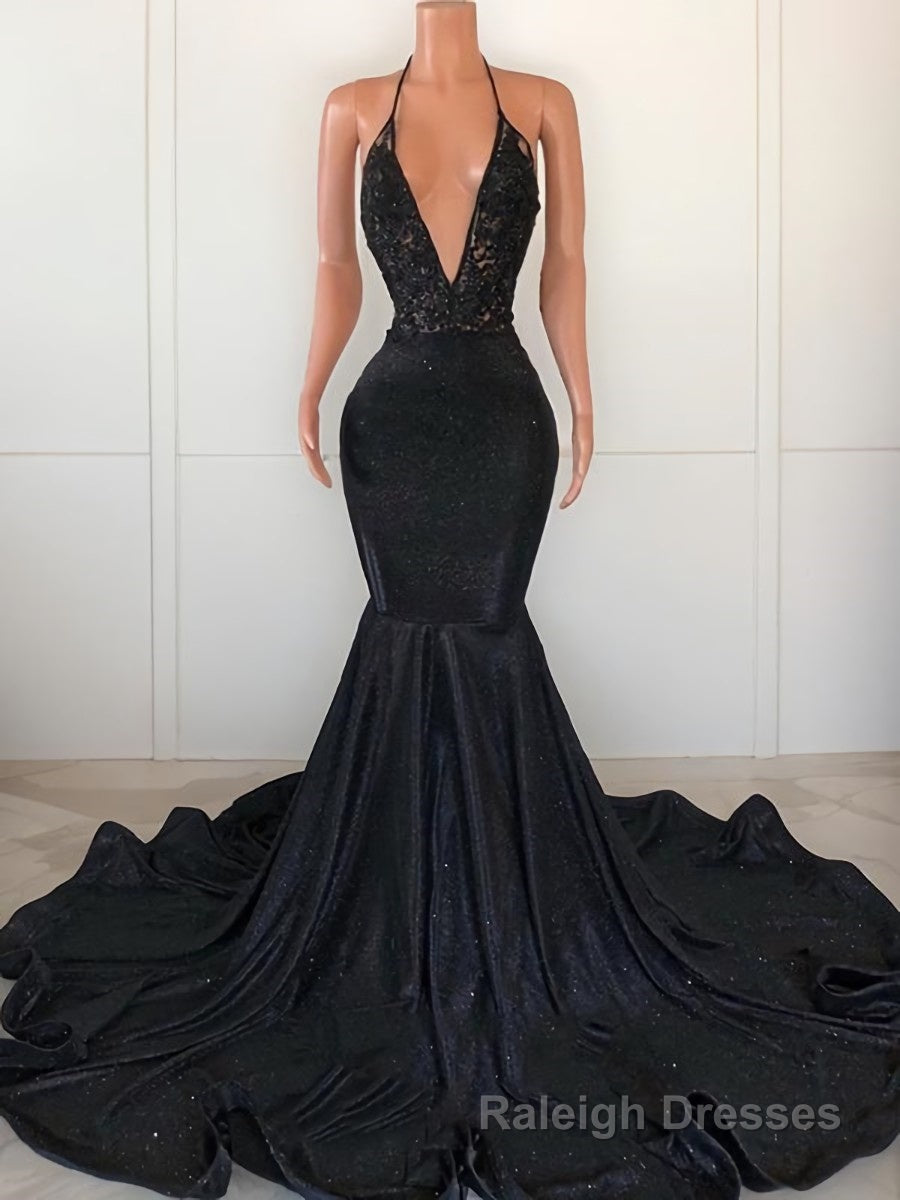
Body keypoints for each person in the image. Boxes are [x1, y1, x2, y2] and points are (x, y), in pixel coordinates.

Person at [2, 9, 899, 1199]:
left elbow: (567, 264)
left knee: (486, 633)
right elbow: (333, 267)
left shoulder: (543, 103)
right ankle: (394, 887)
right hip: (391, 418)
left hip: (502, 415)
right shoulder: (349, 108)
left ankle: (508, 890)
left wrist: (584, 401)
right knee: (403, 633)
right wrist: (309, 389)